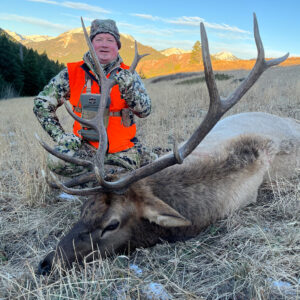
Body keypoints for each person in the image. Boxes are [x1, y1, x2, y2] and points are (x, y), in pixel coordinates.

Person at [33, 19, 157, 178]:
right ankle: (115, 175)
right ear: (91, 44)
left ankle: (100, 176)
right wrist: (60, 136)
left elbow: (145, 111)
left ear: (117, 46)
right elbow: (41, 104)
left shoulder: (129, 74)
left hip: (125, 149)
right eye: (98, 39)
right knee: (57, 160)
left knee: (156, 167)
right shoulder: (71, 73)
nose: (104, 44)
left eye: (110, 40)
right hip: (86, 148)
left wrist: (130, 90)